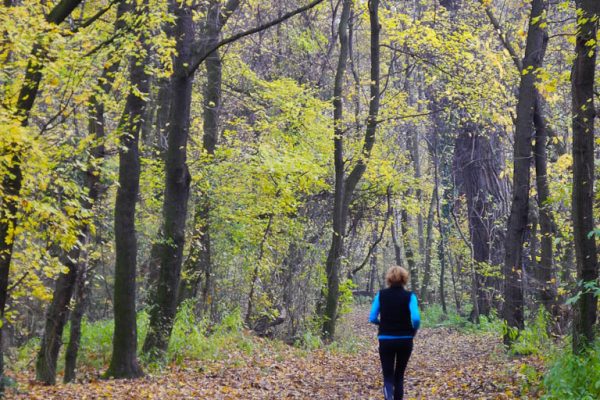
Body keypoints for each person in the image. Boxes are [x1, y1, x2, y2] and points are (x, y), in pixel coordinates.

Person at [369, 266, 420, 400]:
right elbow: (415, 318)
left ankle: (388, 397)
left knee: (388, 376)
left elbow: (372, 317)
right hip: (405, 339)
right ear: (404, 279)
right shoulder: (410, 296)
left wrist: (382, 324)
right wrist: (414, 329)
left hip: (385, 339)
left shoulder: (381, 295)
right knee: (399, 375)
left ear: (389, 279)